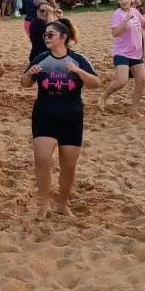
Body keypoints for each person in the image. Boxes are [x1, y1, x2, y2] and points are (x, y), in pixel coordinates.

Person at [21, 19, 101, 221]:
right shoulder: (41, 58)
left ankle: (62, 204)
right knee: (42, 160)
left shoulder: (78, 59)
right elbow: (24, 84)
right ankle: (44, 204)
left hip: (71, 117)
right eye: (45, 35)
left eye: (51, 35)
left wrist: (79, 72)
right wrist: (30, 75)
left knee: (69, 166)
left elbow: (96, 83)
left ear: (63, 37)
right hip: (44, 115)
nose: (46, 38)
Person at [98, 0, 145, 117]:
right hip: (121, 52)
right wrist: (125, 20)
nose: (123, 1)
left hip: (136, 53)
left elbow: (144, 26)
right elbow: (115, 33)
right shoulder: (118, 14)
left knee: (142, 81)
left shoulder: (136, 12)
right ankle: (103, 97)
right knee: (122, 81)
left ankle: (134, 111)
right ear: (118, 1)